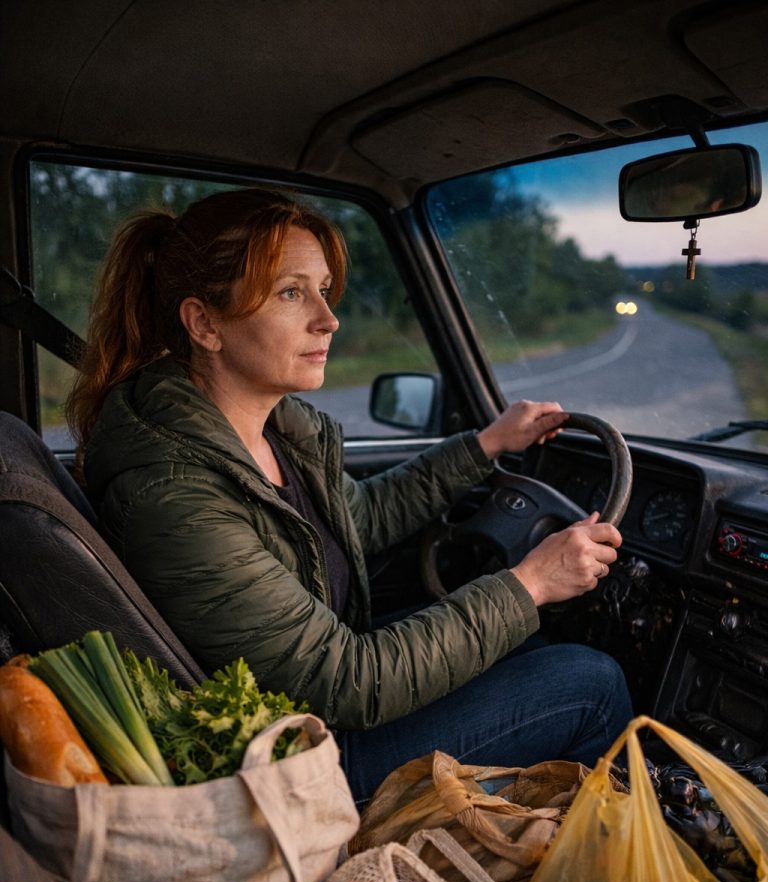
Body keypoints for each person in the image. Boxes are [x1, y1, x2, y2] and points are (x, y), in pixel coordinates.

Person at [68, 187, 632, 805]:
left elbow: (359, 517)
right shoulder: (176, 494)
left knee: (530, 645)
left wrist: (488, 443)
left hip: (321, 709)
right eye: (291, 293)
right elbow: (350, 680)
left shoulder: (269, 431)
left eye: (323, 289)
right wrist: (531, 583)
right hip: (304, 770)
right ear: (205, 323)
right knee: (591, 682)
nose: (328, 317)